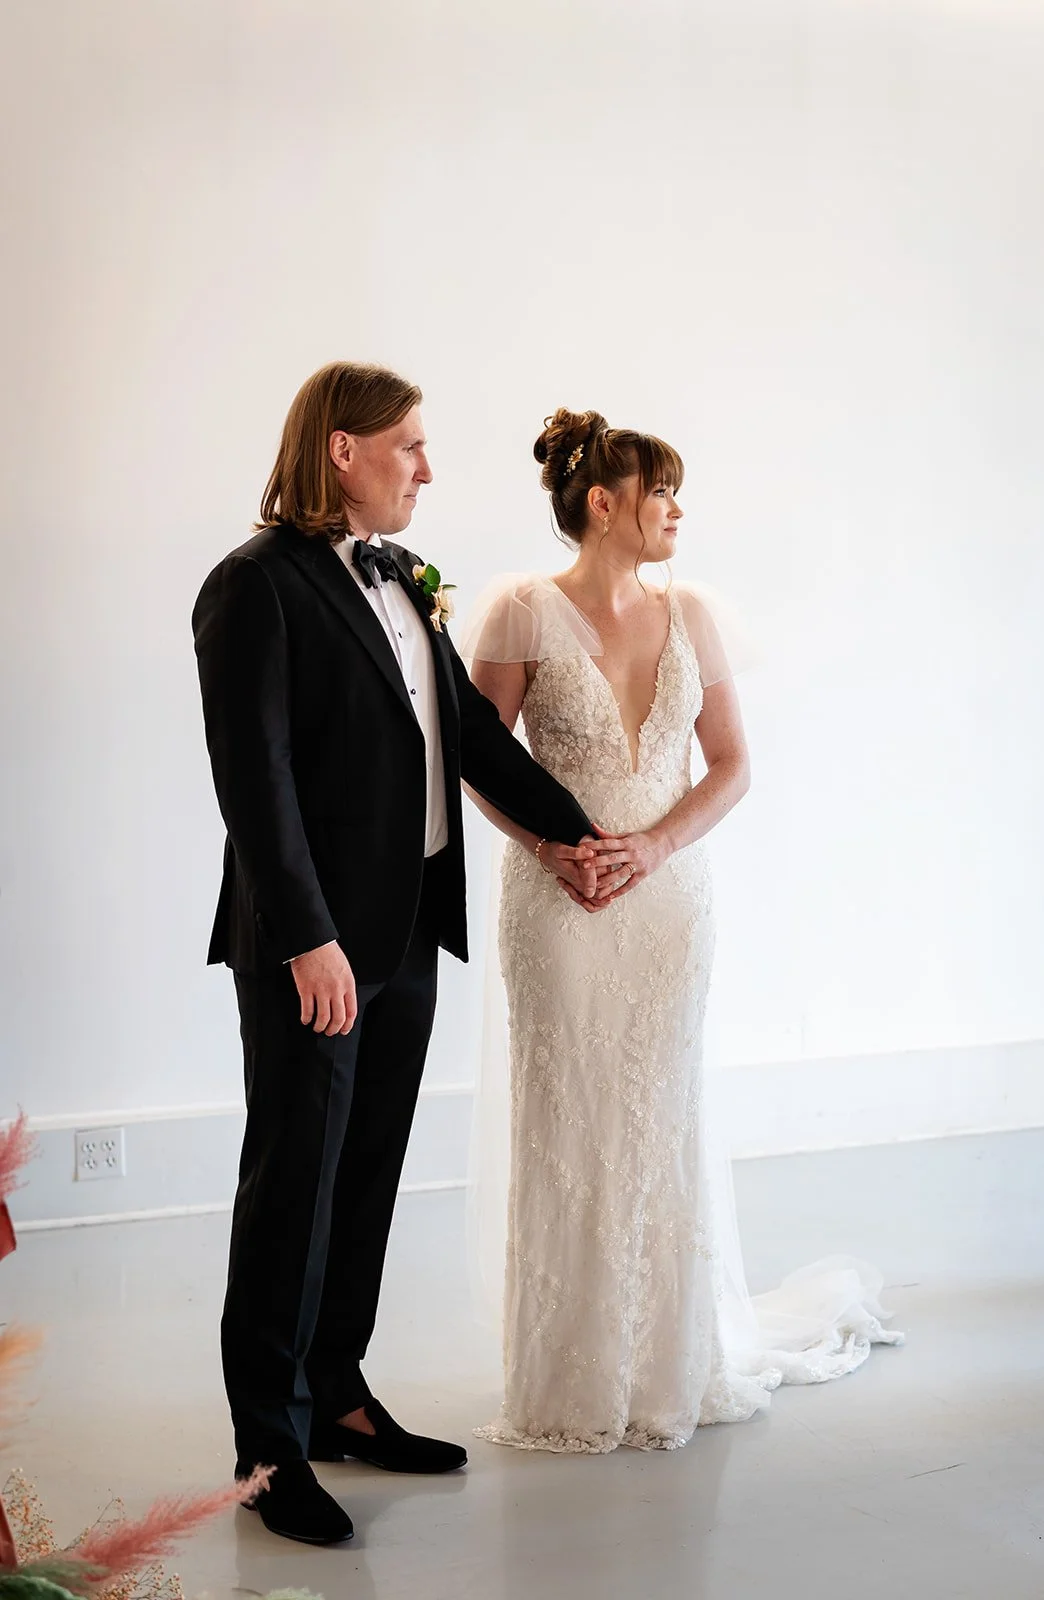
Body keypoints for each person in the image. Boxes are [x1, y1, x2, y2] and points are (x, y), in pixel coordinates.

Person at [191, 365, 601, 1543]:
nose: (427, 467)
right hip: (313, 945)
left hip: (409, 927)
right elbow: (255, 782)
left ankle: (338, 1396)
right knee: (294, 1187)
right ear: (343, 449)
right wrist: (308, 939)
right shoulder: (252, 586)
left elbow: (469, 734)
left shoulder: (406, 579)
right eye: (409, 445)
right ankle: (269, 1450)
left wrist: (582, 832)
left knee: (366, 1172)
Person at [463, 407, 902, 1454]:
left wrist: (655, 847)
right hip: (560, 902)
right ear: (602, 503)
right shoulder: (521, 611)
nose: (676, 510)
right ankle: (569, 1382)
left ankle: (665, 1366)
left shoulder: (692, 612)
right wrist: (554, 848)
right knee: (568, 1121)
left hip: (667, 905)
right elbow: (479, 759)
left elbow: (733, 764)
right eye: (661, 491)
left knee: (661, 1117)